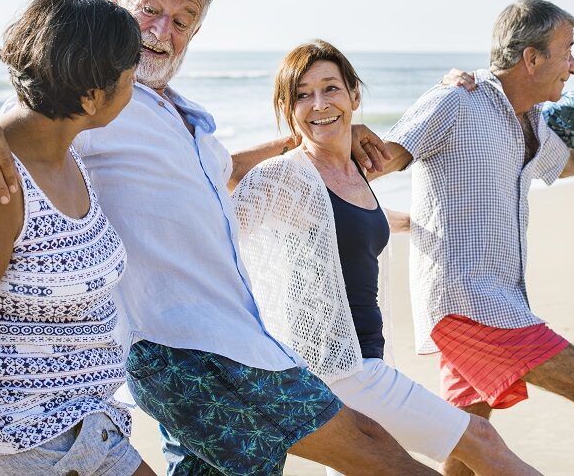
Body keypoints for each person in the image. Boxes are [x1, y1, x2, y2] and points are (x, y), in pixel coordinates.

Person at [0, 0, 540, 476]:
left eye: (182, 19)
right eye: (149, 10)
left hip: (229, 336)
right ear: (116, 2)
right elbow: (31, 107)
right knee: (377, 452)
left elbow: (214, 176)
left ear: (197, 30)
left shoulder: (179, 115)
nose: (160, 31)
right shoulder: (98, 97)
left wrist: (315, 137)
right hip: (185, 349)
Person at [232, 39, 543, 476]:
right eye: (302, 95)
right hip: (339, 367)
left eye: (330, 89)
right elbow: (216, 194)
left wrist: (446, 89)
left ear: (355, 95)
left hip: (364, 360)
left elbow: (355, 225)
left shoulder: (356, 171)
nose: (319, 103)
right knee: (482, 440)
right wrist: (293, 140)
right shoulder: (286, 177)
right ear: (288, 108)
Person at [374, 0, 574, 476]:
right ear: (532, 58)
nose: (573, 65)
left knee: (468, 445)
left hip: (496, 297)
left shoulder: (531, 122)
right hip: (469, 302)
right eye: (566, 50)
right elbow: (380, 160)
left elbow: (566, 163)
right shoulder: (456, 101)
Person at [0, 0, 156, 476]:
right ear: (91, 96)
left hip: (91, 427)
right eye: (129, 76)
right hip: (24, 446)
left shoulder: (69, 155)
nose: (135, 85)